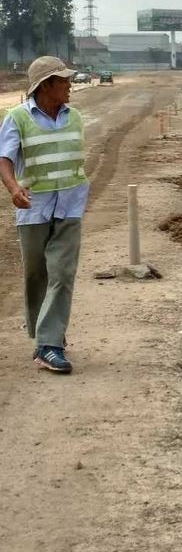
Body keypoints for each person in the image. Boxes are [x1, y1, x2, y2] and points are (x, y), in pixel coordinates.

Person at [0, 56, 89, 374]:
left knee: (62, 274)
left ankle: (51, 345)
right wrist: (13, 188)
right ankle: (45, 339)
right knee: (37, 276)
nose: (69, 85)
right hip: (33, 209)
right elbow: (5, 158)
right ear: (46, 85)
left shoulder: (75, 117)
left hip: (70, 206)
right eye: (63, 80)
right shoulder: (17, 118)